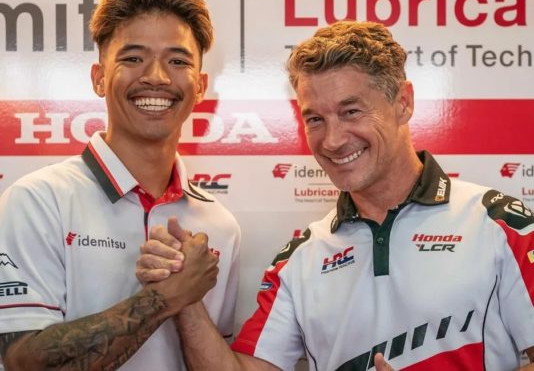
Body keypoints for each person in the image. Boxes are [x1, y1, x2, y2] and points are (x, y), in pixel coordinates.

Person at [137, 21, 534, 370]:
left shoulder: (501, 225)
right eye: (315, 119)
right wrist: (184, 298)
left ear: (403, 103)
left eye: (351, 112)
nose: (332, 140)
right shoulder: (300, 257)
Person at [0, 0, 240, 370]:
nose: (156, 77)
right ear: (99, 78)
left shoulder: (220, 225)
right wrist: (165, 297)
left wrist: (186, 302)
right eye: (133, 58)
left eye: (177, 60)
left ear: (200, 86)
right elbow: (24, 360)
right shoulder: (38, 200)